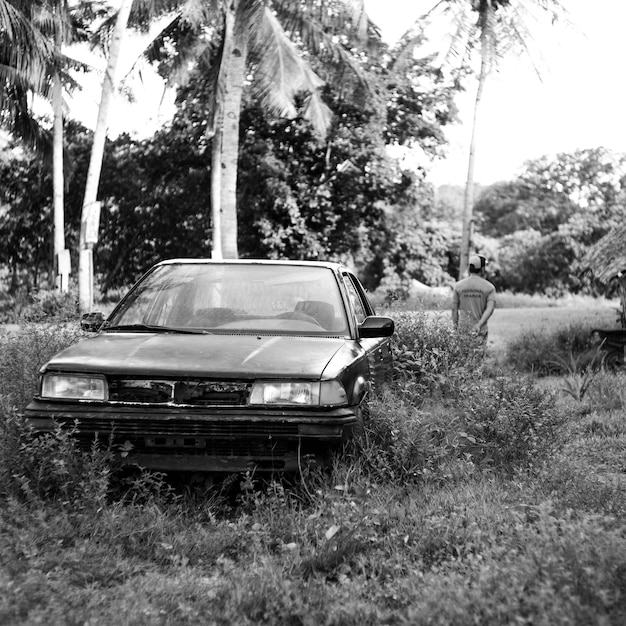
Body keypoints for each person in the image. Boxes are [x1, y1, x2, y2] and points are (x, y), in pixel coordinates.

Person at [451, 254, 496, 339]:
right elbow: (490, 309)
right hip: (480, 331)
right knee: (479, 352)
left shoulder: (458, 286)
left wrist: (455, 327)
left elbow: (454, 309)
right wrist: (479, 324)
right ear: (482, 269)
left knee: (463, 352)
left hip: (463, 330)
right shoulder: (489, 287)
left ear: (469, 268)